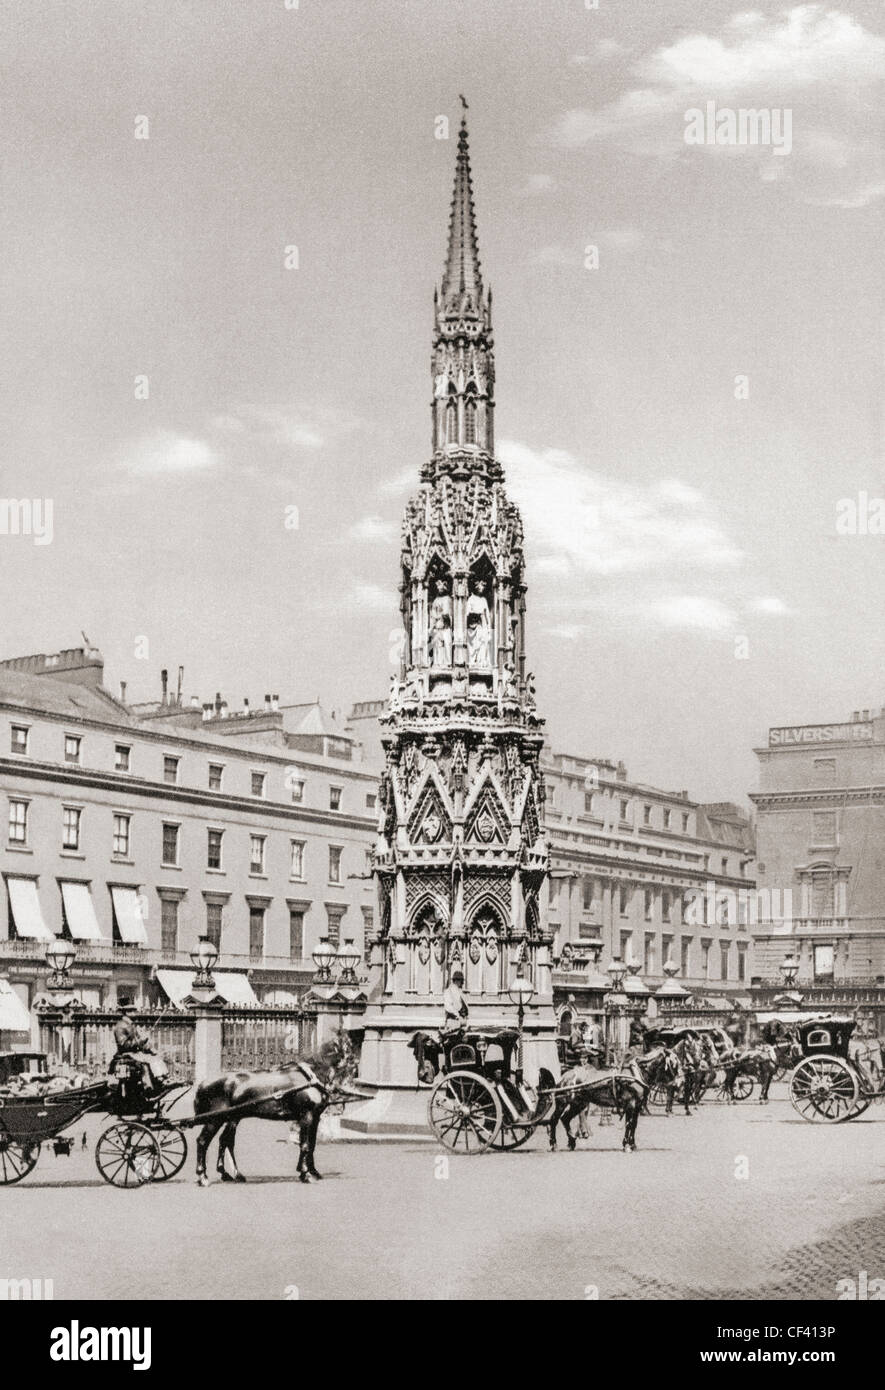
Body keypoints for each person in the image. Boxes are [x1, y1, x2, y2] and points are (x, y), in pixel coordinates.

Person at [111, 1003, 169, 1097]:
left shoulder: (131, 1025)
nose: (135, 1012)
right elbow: (124, 1045)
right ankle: (149, 1087)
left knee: (155, 1057)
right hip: (125, 1054)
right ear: (126, 1012)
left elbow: (140, 1042)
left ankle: (162, 1078)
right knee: (147, 1062)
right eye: (132, 1011)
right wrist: (141, 1041)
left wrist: (151, 1049)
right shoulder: (120, 1026)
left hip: (135, 1053)